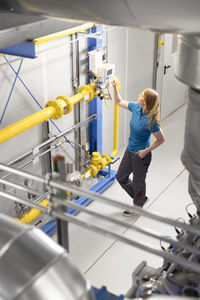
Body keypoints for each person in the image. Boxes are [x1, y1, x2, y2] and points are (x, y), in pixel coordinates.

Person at [112, 79, 165, 216]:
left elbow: (161, 139)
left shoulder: (151, 121)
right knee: (120, 177)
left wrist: (145, 151)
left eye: (142, 96)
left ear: (147, 102)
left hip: (141, 155)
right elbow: (119, 102)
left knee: (138, 182)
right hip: (129, 151)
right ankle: (140, 198)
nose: (139, 96)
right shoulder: (136, 107)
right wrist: (115, 87)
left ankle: (138, 206)